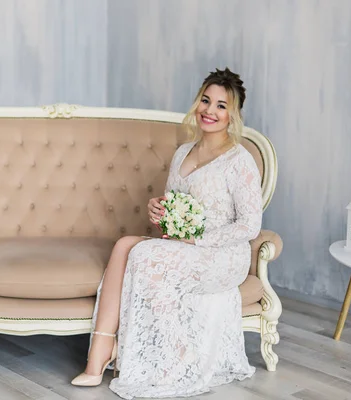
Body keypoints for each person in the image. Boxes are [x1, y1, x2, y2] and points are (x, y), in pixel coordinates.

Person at [70, 68, 263, 399]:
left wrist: (197, 239)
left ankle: (176, 359)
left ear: (233, 115)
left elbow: (250, 226)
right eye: (205, 100)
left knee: (143, 254)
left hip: (222, 255)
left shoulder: (238, 160)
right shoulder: (182, 153)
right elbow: (175, 210)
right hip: (186, 247)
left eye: (221, 105)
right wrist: (158, 211)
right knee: (124, 246)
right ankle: (99, 355)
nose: (209, 111)